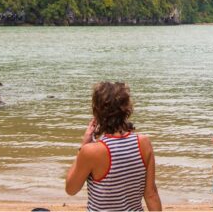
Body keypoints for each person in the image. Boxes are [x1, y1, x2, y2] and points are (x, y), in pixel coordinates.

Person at [65, 82, 161, 211]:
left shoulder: (91, 151)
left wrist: (83, 146)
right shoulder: (143, 143)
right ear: (127, 109)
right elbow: (151, 195)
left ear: (97, 111)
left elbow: (71, 189)